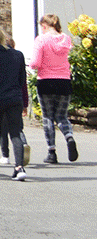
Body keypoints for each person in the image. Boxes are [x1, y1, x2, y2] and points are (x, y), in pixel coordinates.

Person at [28, 13, 79, 164]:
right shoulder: (66, 39)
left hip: (46, 81)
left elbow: (35, 63)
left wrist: (33, 65)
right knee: (62, 116)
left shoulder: (41, 39)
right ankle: (69, 137)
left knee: (48, 117)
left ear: (44, 25)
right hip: (64, 81)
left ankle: (52, 152)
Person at [0, 23, 29, 180]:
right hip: (15, 98)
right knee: (15, 133)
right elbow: (22, 79)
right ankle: (19, 167)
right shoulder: (18, 55)